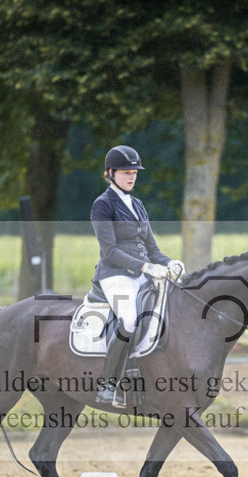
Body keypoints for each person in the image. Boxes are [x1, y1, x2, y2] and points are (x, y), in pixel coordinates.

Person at [91, 144, 184, 406]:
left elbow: (152, 249)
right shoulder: (103, 205)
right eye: (125, 172)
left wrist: (172, 263)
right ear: (110, 173)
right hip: (115, 274)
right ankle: (108, 385)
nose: (131, 177)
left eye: (134, 172)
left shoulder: (138, 204)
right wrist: (145, 268)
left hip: (142, 274)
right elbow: (109, 251)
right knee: (130, 320)